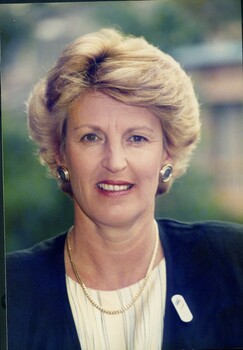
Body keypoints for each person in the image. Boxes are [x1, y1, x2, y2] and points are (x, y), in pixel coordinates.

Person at [6, 28, 243, 350]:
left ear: (167, 152)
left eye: (137, 138)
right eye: (91, 137)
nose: (115, 162)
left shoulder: (231, 260)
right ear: (60, 152)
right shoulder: (12, 285)